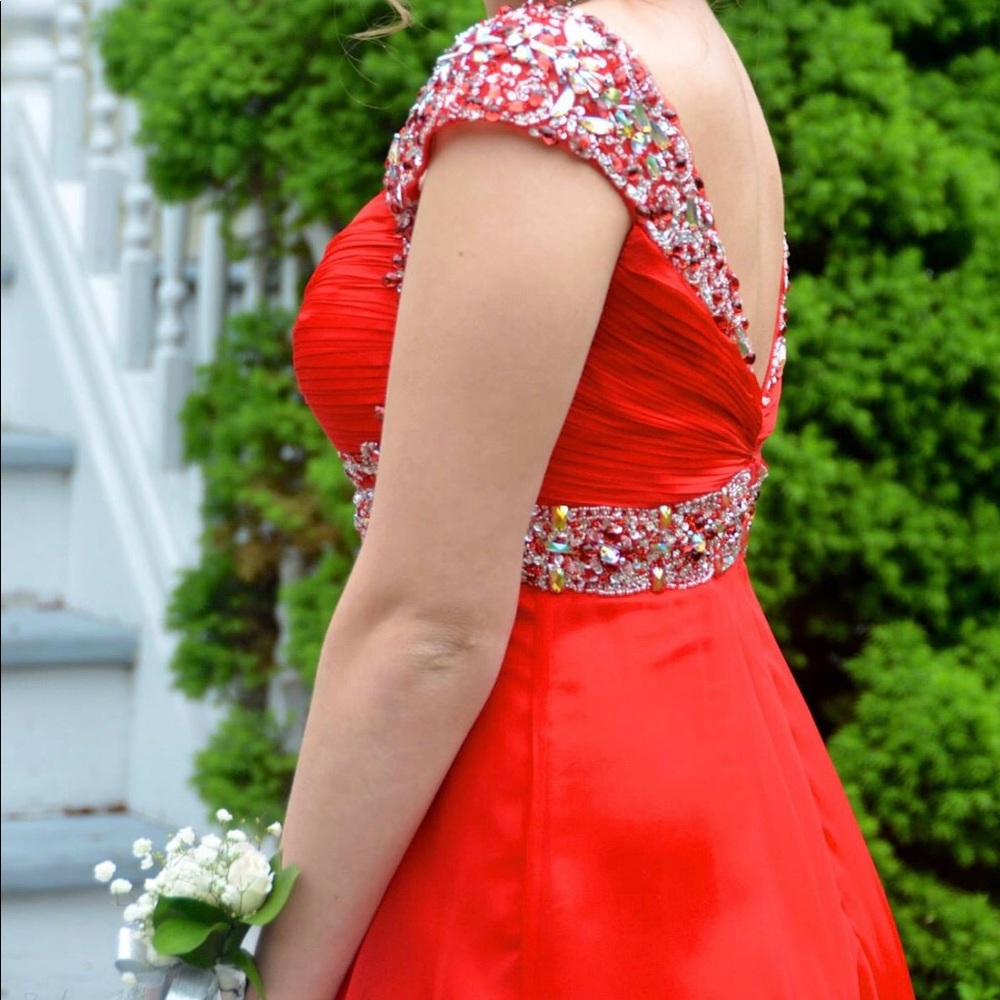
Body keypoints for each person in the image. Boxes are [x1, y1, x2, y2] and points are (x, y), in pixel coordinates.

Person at [254, 1, 916, 996]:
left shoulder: (543, 77)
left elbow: (429, 624)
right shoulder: (678, 32)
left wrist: (262, 972)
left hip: (548, 803)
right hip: (720, 763)